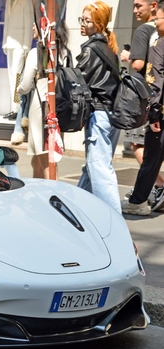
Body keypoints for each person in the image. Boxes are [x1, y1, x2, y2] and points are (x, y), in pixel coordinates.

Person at [76, 1, 121, 214]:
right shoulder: (109, 47)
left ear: (99, 24)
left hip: (99, 115)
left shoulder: (91, 49)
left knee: (100, 169)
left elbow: (78, 80)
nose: (82, 24)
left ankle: (116, 222)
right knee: (92, 167)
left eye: (87, 21)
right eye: (81, 20)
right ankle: (77, 211)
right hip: (112, 115)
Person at [120, 0, 164, 211]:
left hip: (147, 100)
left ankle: (150, 192)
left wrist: (128, 56)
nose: (135, 10)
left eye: (139, 6)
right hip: (154, 101)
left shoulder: (146, 33)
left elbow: (142, 67)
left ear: (153, 6)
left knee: (141, 147)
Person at [17, 22, 70, 179]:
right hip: (57, 105)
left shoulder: (37, 52)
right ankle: (37, 194)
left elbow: (25, 85)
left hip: (40, 108)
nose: (33, 28)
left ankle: (53, 195)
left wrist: (18, 89)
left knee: (46, 160)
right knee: (37, 161)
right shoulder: (61, 52)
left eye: (36, 26)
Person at [2, 0, 34, 120]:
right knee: (11, 76)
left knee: (17, 76)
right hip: (9, 43)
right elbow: (7, 22)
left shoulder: (25, 2)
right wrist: (4, 42)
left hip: (20, 44)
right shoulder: (8, 2)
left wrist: (26, 46)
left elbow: (29, 20)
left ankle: (19, 108)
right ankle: (14, 108)